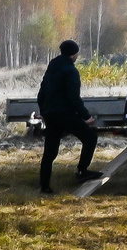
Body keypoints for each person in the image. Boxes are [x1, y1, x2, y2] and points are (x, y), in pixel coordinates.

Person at [35, 39, 98, 193]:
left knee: (50, 152)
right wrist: (86, 117)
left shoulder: (52, 68)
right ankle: (83, 171)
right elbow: (73, 97)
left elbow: (41, 93)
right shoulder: (71, 71)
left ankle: (44, 187)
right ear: (74, 53)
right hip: (65, 114)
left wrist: (44, 112)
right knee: (90, 137)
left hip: (50, 114)